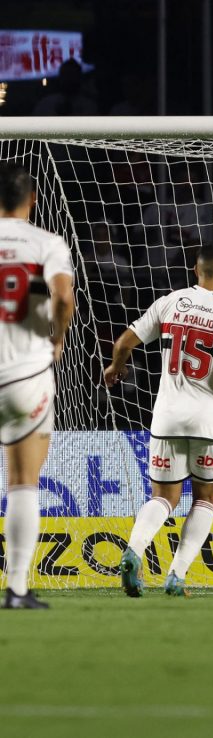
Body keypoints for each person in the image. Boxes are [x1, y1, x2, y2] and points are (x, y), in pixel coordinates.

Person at [103, 243, 213, 597]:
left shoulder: (171, 302)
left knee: (163, 498)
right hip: (210, 421)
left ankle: (133, 552)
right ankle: (177, 576)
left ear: (195, 269)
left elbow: (125, 340)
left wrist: (116, 366)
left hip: (167, 417)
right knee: (205, 500)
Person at [0, 164, 75, 609]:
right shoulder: (47, 243)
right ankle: (17, 590)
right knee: (23, 481)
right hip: (25, 374)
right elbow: (63, 297)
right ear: (32, 200)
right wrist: (58, 338)